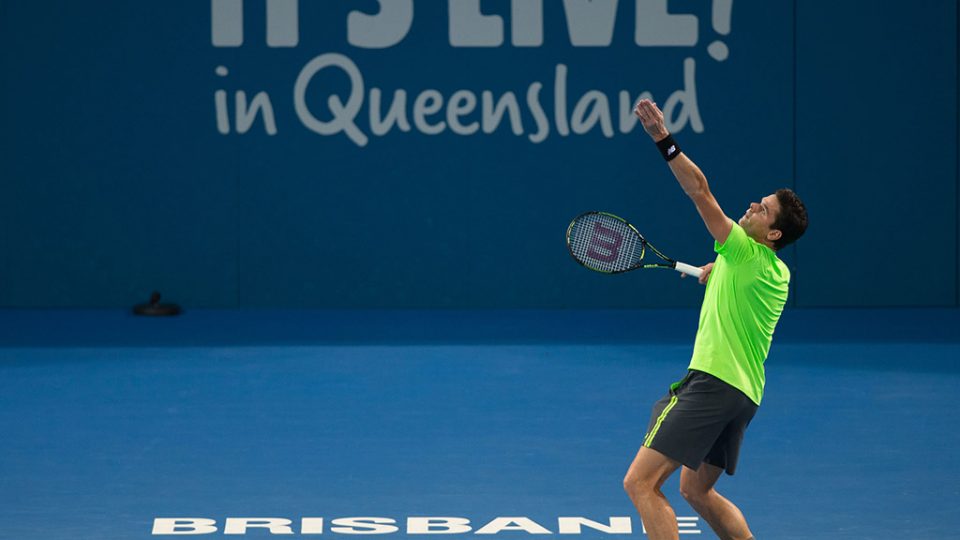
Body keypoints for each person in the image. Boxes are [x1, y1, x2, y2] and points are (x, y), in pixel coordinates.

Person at [622, 99, 808, 540]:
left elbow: (700, 191)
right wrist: (718, 269)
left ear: (773, 234)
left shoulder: (742, 251)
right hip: (744, 395)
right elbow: (737, 276)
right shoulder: (773, 270)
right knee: (696, 490)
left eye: (762, 210)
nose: (752, 206)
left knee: (641, 483)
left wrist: (663, 140)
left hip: (712, 382)